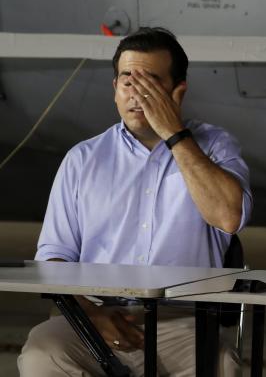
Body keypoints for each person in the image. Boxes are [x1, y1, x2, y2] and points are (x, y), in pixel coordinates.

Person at [19, 27, 253, 377]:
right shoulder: (82, 159)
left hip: (183, 321)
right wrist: (93, 316)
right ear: (114, 89)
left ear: (178, 92)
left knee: (222, 366)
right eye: (128, 80)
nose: (136, 93)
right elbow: (54, 258)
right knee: (43, 354)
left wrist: (174, 135)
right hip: (93, 313)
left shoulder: (215, 147)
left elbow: (229, 217)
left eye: (150, 83)